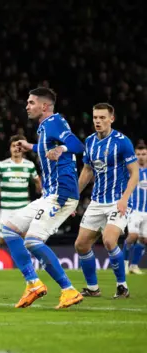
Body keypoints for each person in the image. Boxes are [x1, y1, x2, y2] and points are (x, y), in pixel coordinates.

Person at [3, 87, 85, 309]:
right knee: (9, 229)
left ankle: (69, 290)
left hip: (61, 194)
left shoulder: (55, 122)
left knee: (32, 241)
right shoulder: (45, 128)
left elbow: (79, 146)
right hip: (50, 194)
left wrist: (63, 148)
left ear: (44, 106)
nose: (27, 106)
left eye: (31, 102)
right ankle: (33, 284)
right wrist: (31, 146)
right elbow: (48, 147)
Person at [75, 103, 139, 298]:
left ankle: (122, 286)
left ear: (111, 119)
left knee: (109, 240)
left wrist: (124, 199)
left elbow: (135, 173)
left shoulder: (122, 141)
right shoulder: (90, 142)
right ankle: (93, 288)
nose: (98, 121)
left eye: (102, 118)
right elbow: (87, 170)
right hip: (96, 202)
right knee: (81, 245)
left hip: (116, 201)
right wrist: (74, 197)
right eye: (95, 117)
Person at [0, 135, 42, 249]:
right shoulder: (3, 165)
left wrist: (40, 190)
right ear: (10, 149)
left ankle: (25, 262)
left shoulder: (29, 165)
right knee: (6, 238)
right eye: (13, 146)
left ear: (23, 149)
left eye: (18, 146)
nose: (16, 148)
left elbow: (37, 180)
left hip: (23, 207)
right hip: (6, 208)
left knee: (24, 236)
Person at [124, 143, 147, 274]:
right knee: (132, 236)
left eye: (143, 154)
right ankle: (125, 264)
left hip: (146, 211)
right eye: (138, 154)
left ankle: (134, 265)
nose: (141, 157)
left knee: (144, 239)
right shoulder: (131, 171)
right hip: (134, 210)